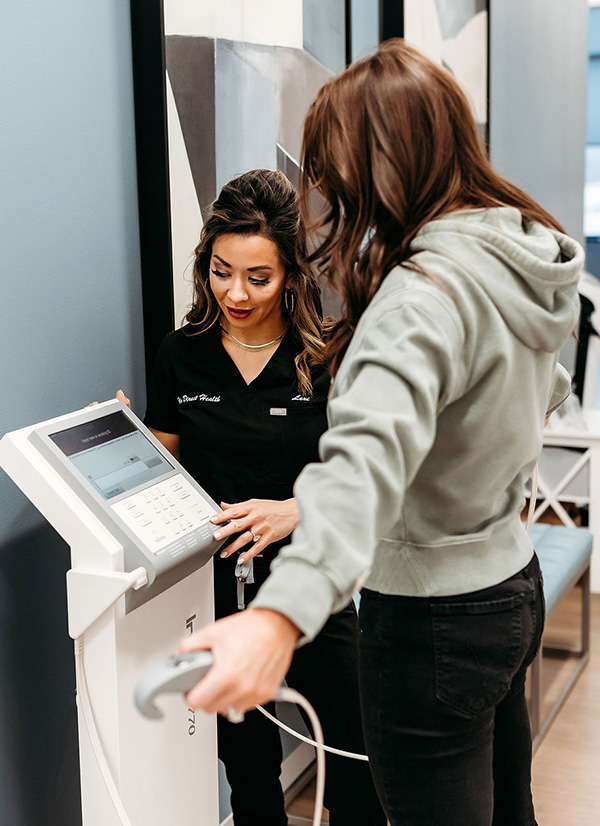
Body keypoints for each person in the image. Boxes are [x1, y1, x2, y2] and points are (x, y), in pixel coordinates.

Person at [177, 40, 584, 826]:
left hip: (435, 617)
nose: (327, 193)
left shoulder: (419, 298)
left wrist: (275, 616)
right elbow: (546, 388)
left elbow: (359, 470)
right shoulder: (517, 249)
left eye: (332, 171)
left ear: (377, 170)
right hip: (510, 585)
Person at [143, 169, 385, 826]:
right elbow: (162, 472)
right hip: (219, 598)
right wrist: (117, 439)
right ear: (206, 263)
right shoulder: (180, 356)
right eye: (223, 271)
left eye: (259, 277)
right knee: (249, 779)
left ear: (291, 276)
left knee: (358, 774)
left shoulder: (325, 356)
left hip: (316, 594)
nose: (236, 293)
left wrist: (296, 511)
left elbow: (365, 477)